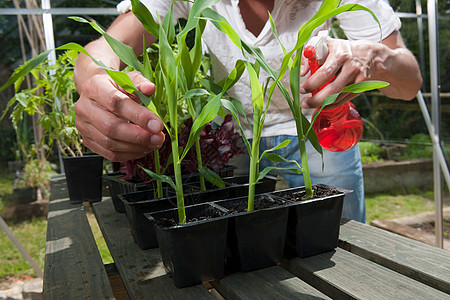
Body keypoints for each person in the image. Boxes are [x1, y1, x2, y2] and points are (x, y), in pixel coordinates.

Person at [73, 0, 422, 223]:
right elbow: (106, 47)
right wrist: (96, 81)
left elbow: (410, 83)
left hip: (318, 135)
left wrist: (373, 56)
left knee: (342, 242)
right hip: (238, 141)